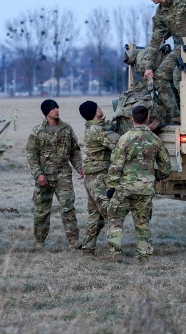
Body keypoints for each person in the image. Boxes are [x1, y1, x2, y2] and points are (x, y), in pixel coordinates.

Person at [105, 105, 172, 264]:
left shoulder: (125, 138)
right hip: (146, 188)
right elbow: (166, 166)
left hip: (125, 187)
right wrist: (157, 177)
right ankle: (144, 255)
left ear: (131, 119)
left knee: (115, 217)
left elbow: (116, 166)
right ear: (148, 119)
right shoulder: (155, 139)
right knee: (142, 222)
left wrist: (112, 187)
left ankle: (115, 253)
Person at [26, 99, 85, 249]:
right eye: (53, 108)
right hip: (44, 176)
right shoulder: (37, 131)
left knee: (68, 207)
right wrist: (38, 174)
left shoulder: (66, 129)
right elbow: (31, 155)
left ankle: (73, 241)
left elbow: (75, 150)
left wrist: (79, 166)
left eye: (57, 107)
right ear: (47, 112)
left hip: (63, 175)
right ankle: (39, 241)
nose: (57, 110)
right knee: (41, 210)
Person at [78, 101, 120, 255]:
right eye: (98, 107)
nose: (100, 108)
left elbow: (109, 128)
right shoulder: (97, 131)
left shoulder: (93, 127)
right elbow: (120, 144)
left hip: (92, 179)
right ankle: (116, 252)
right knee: (110, 215)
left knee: (96, 217)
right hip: (99, 179)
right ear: (94, 112)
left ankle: (88, 249)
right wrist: (144, 130)